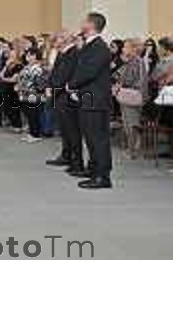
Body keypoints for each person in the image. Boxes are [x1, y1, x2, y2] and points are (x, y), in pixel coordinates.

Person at [68, 12, 113, 189]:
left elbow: (88, 71)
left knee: (97, 138)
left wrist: (71, 85)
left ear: (91, 25)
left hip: (95, 98)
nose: (81, 24)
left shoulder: (99, 47)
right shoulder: (90, 45)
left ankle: (102, 176)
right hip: (88, 97)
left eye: (84, 21)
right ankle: (94, 169)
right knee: (90, 136)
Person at [46, 31, 81, 169]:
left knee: (72, 130)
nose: (56, 39)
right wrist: (49, 86)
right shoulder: (62, 53)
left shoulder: (73, 53)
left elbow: (66, 75)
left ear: (67, 40)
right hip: (58, 94)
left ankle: (75, 160)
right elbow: (54, 72)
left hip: (66, 95)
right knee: (64, 129)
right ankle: (66, 155)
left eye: (59, 37)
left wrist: (54, 88)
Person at [114, 39, 148, 159]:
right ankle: (134, 148)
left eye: (125, 47)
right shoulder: (138, 61)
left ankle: (132, 151)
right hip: (136, 94)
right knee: (132, 123)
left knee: (130, 123)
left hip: (131, 94)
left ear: (132, 48)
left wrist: (119, 82)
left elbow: (129, 79)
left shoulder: (134, 61)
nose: (122, 49)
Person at [17, 48, 47, 142]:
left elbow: (38, 81)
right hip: (24, 92)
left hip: (34, 93)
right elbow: (21, 77)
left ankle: (36, 134)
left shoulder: (38, 68)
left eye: (31, 55)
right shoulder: (26, 67)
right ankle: (31, 132)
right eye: (28, 55)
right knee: (28, 113)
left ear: (36, 56)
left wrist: (27, 86)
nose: (28, 57)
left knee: (34, 113)